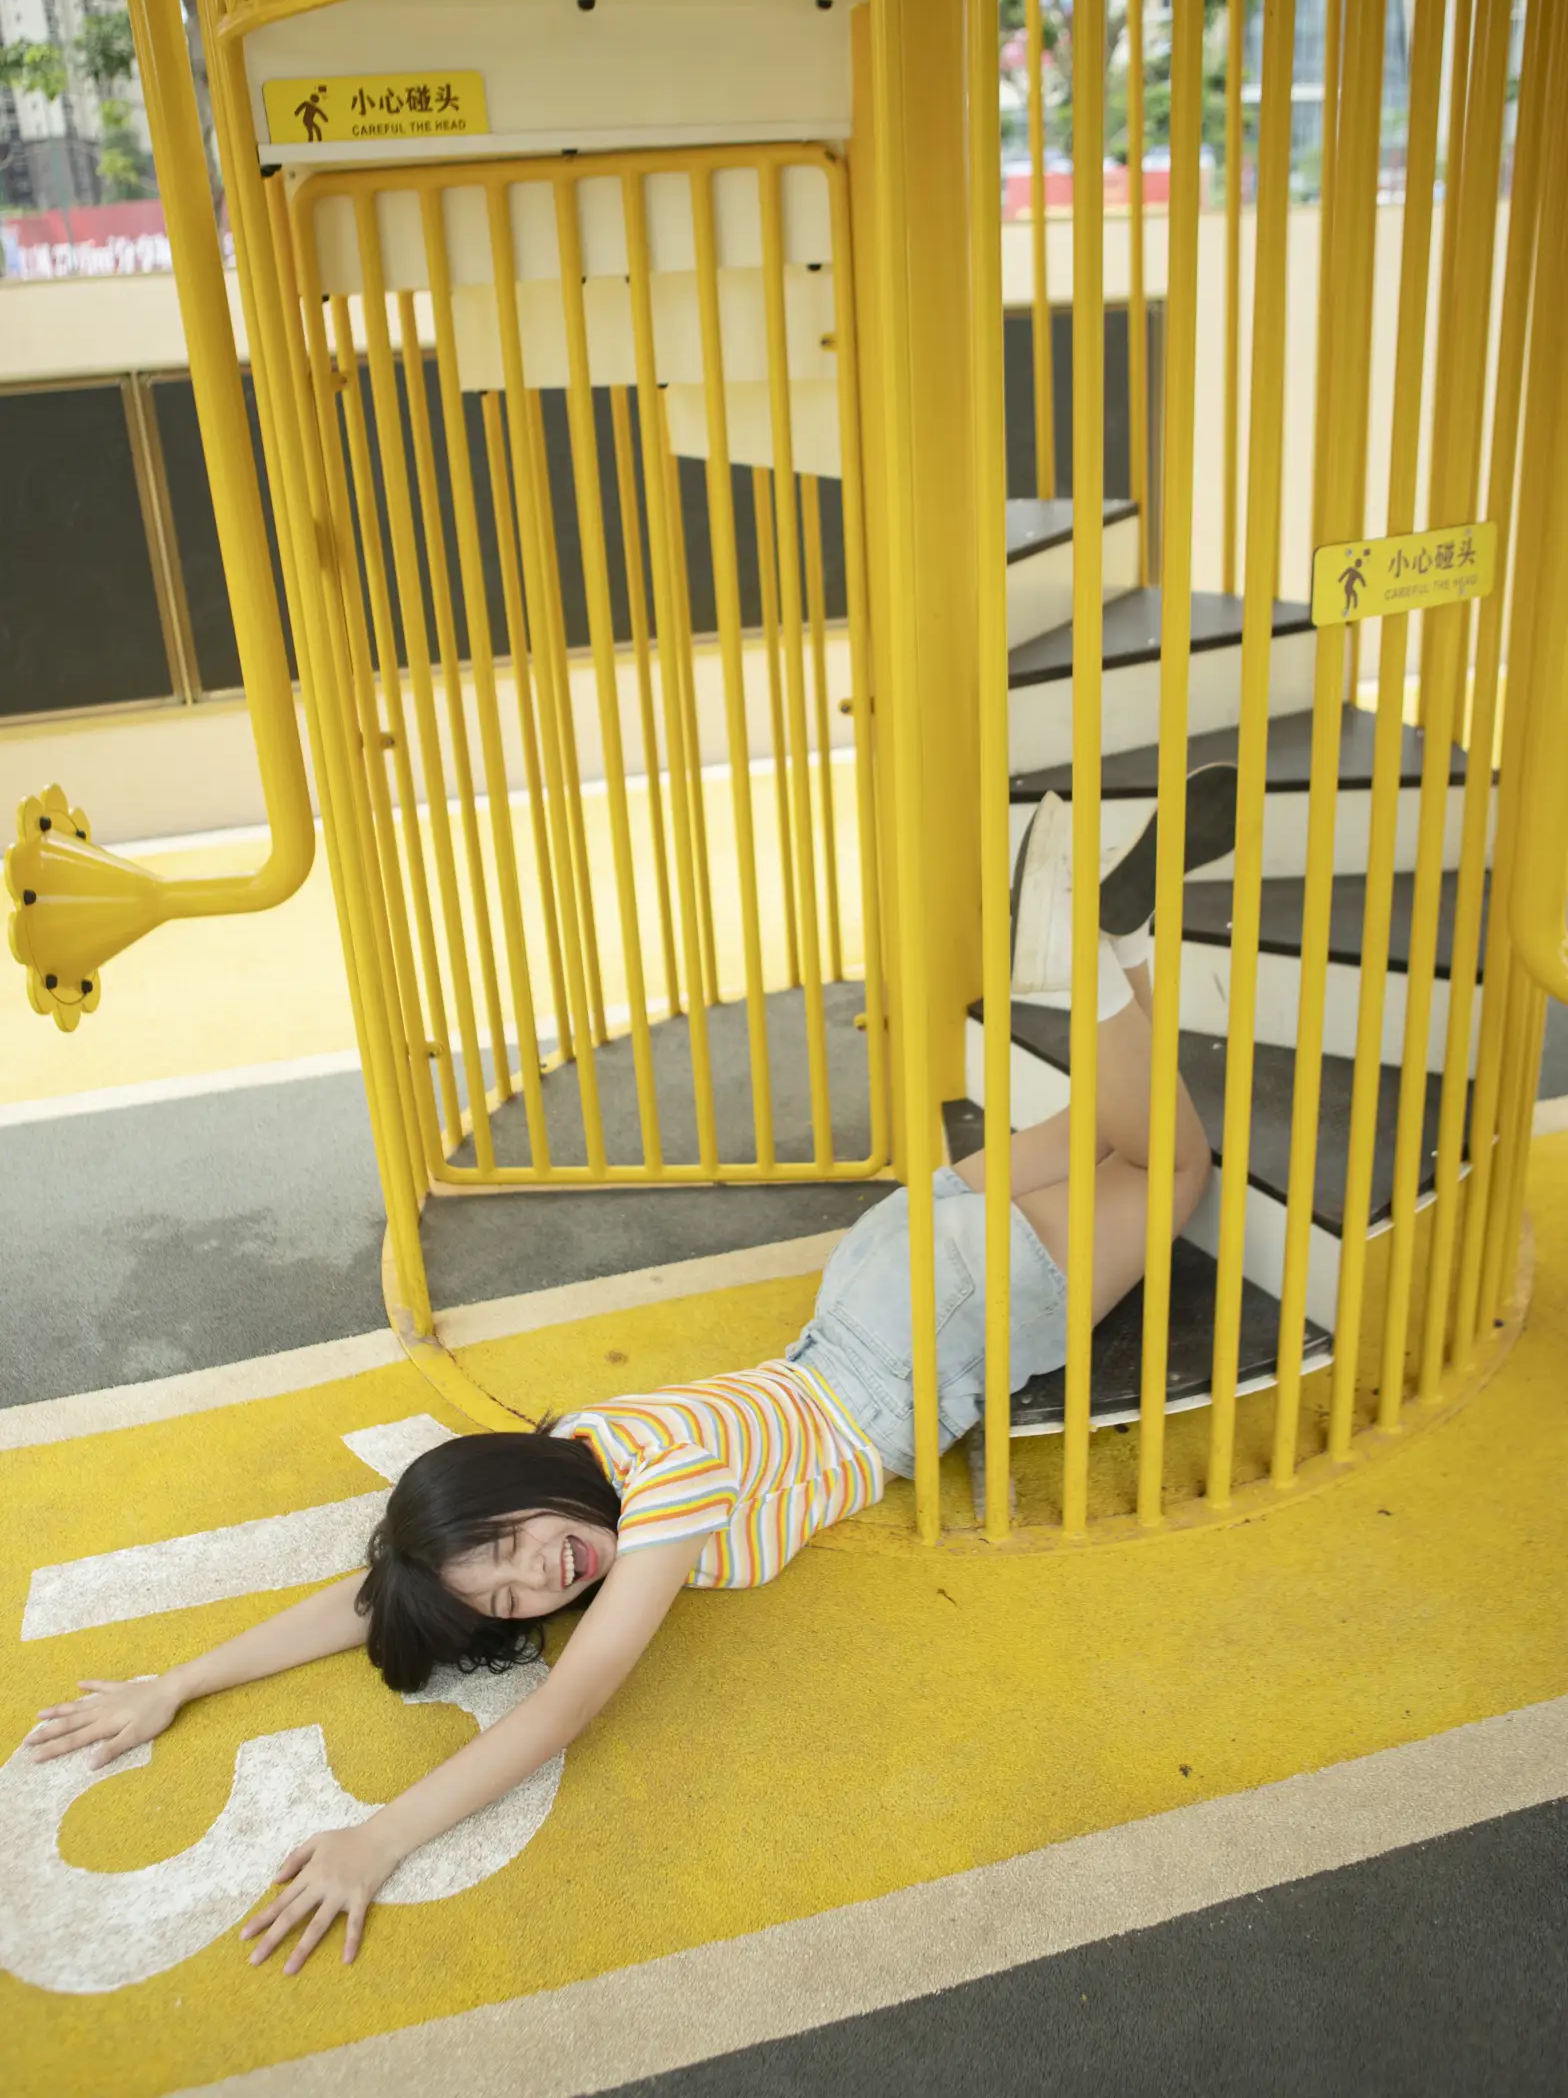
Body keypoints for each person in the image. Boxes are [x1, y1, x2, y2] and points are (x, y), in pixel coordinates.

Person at [26, 768, 1236, 1976]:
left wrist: (378, 1837)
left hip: (930, 1326)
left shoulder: (665, 1495)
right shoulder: (591, 1450)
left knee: (1174, 1169)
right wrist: (176, 1684)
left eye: (511, 1544)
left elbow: (572, 1701)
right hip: (877, 1272)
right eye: (510, 1600)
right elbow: (382, 1590)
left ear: (516, 1488)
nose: (539, 1576)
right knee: (1128, 1135)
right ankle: (1109, 933)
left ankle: (1081, 945)